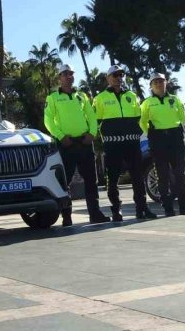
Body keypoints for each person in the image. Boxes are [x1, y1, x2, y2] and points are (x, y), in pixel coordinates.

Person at [43, 64, 110, 226]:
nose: (68, 76)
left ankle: (95, 213)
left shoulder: (82, 96)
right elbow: (48, 120)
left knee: (91, 181)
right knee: (65, 182)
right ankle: (67, 216)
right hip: (66, 144)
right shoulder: (52, 98)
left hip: (85, 143)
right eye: (64, 74)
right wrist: (60, 136)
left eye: (71, 73)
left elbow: (92, 116)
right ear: (59, 77)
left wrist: (91, 134)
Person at [93, 65, 157, 221]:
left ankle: (142, 209)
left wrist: (139, 132)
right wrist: (101, 140)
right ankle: (116, 211)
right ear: (108, 78)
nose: (118, 77)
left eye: (121, 74)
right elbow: (96, 121)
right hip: (112, 144)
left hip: (132, 143)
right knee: (113, 178)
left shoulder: (132, 96)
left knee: (137, 176)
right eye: (115, 75)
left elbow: (138, 117)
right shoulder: (100, 98)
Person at [140, 72, 185, 216]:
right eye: (155, 82)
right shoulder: (147, 103)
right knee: (162, 176)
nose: (158, 84)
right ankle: (168, 208)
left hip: (175, 138)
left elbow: (183, 117)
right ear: (151, 86)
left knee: (180, 174)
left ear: (166, 83)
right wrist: (151, 132)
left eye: (161, 81)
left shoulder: (175, 100)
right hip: (158, 139)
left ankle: (183, 206)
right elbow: (142, 121)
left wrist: (178, 128)